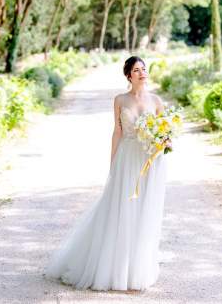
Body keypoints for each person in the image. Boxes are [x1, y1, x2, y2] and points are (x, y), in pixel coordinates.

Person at [44, 56, 167, 291]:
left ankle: (137, 268)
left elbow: (165, 132)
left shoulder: (156, 101)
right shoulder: (120, 100)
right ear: (128, 75)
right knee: (121, 210)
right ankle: (115, 268)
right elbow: (117, 132)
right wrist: (113, 163)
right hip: (126, 158)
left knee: (144, 212)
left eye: (144, 69)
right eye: (136, 70)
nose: (142, 73)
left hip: (150, 161)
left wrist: (165, 142)